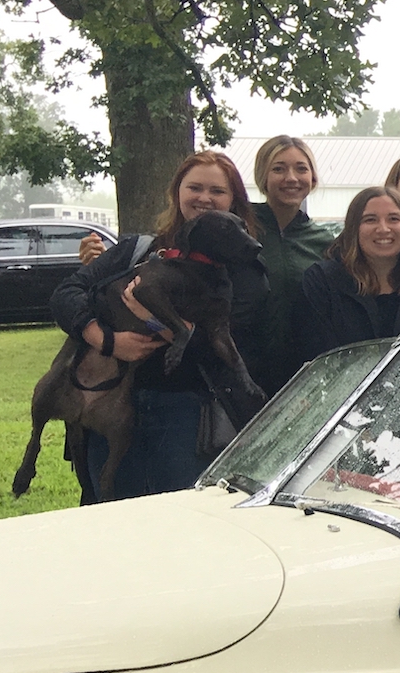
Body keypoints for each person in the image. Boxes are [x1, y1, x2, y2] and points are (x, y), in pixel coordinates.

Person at [49, 151, 269, 501]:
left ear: (234, 202)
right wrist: (106, 339)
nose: (205, 198)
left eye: (218, 191)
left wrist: (156, 320)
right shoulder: (138, 251)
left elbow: (227, 348)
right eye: (194, 187)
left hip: (187, 416)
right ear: (177, 193)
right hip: (113, 407)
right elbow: (66, 294)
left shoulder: (245, 272)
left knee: (178, 522)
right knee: (110, 519)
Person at [249, 135, 339, 396]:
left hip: (303, 378)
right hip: (240, 373)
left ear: (312, 179)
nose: (291, 178)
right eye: (279, 168)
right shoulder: (239, 230)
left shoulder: (325, 244)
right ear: (263, 176)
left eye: (301, 168)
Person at [298, 186, 400, 358]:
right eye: (370, 220)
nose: (383, 228)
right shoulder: (323, 282)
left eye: (394, 219)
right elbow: (317, 356)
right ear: (354, 229)